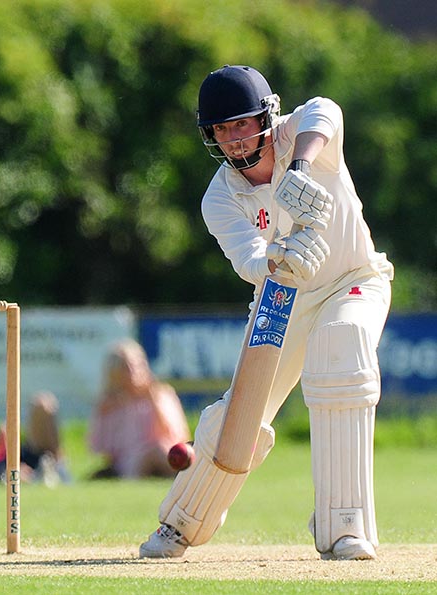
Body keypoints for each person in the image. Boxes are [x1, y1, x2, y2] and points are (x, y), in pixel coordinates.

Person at [139, 65, 393, 561]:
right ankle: (183, 522)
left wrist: (298, 167)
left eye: (241, 124)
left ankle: (345, 527)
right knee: (240, 414)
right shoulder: (220, 196)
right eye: (221, 130)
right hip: (282, 293)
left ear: (266, 116)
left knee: (340, 347)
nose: (234, 139)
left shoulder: (299, 133)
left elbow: (328, 110)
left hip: (353, 279)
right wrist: (280, 257)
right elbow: (250, 262)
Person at [89, 339, 191, 479]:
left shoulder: (162, 394)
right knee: (141, 459)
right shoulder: (110, 404)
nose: (131, 373)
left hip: (166, 455)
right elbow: (99, 448)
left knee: (158, 450)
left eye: (135, 366)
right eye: (125, 368)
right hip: (128, 463)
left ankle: (181, 480)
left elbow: (177, 435)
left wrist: (153, 400)